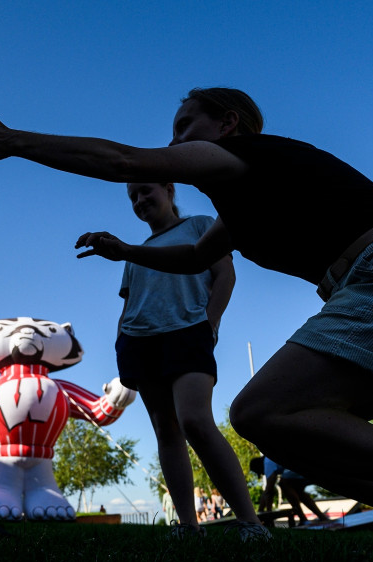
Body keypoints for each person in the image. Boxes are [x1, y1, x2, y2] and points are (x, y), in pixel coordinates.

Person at [0, 88, 373, 553]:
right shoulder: (239, 204)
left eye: (185, 126)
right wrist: (125, 249)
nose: (175, 143)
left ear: (228, 123)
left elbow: (124, 160)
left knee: (260, 412)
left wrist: (15, 143)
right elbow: (194, 257)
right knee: (295, 433)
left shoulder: (244, 154)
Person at [108, 181, 265, 539]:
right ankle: (188, 526)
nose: (140, 200)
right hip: (140, 341)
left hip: (188, 333)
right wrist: (121, 340)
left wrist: (210, 321)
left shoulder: (199, 225)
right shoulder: (136, 251)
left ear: (168, 190)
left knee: (195, 421)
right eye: (133, 197)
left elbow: (225, 272)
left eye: (146, 191)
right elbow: (128, 303)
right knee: (166, 431)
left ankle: (250, 523)